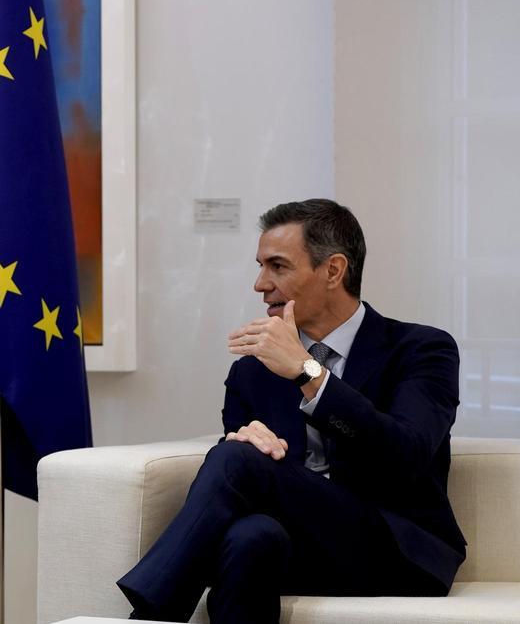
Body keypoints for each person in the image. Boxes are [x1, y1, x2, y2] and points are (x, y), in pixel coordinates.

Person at [117, 199, 465, 623]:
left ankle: (149, 616)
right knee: (251, 535)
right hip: (298, 546)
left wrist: (308, 373)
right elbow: (247, 473)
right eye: (260, 266)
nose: (260, 284)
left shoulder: (421, 349)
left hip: (393, 549)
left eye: (277, 267)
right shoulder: (251, 371)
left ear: (333, 271)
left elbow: (407, 454)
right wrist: (246, 444)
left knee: (237, 463)